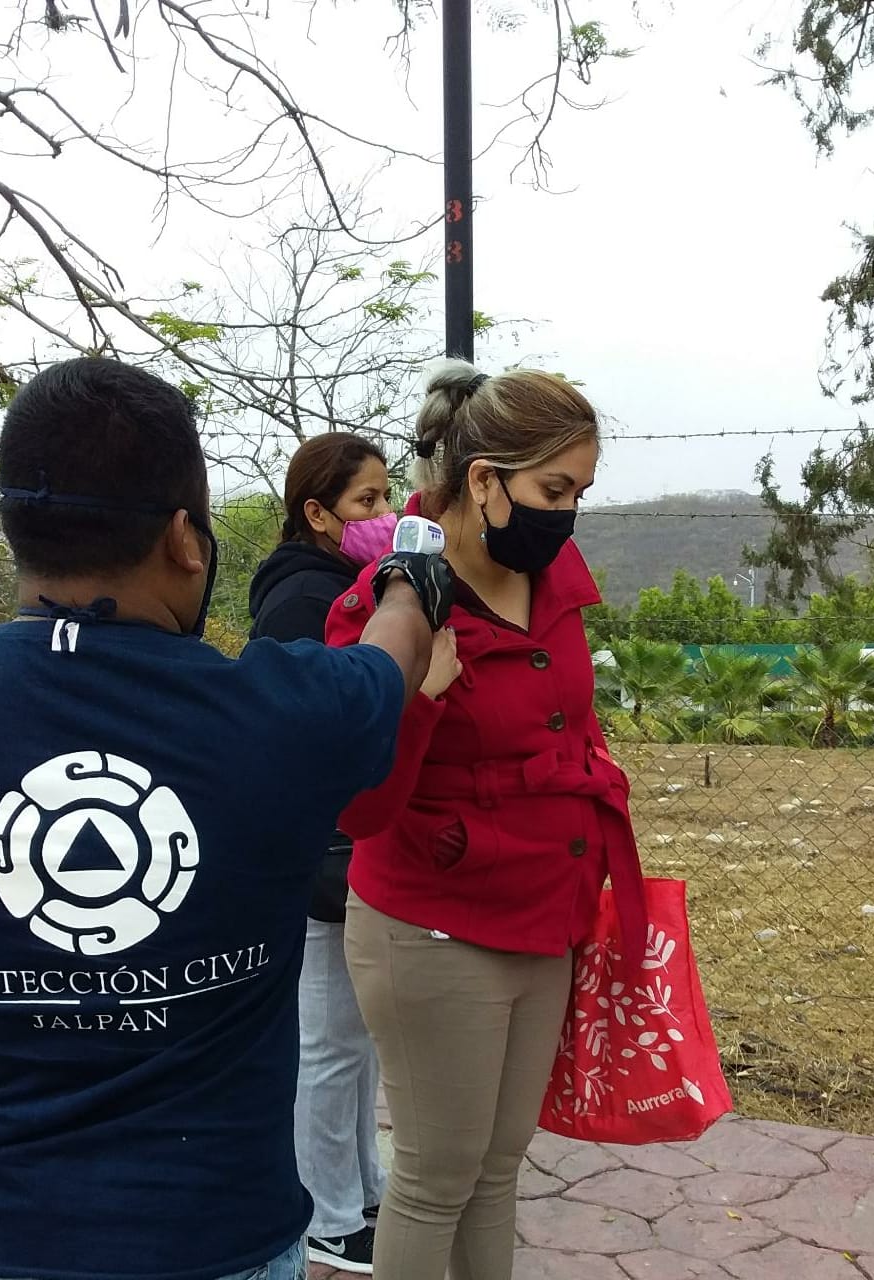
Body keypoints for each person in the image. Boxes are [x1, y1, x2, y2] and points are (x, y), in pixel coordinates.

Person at [0, 357, 451, 1280]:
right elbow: (396, 654)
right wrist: (409, 577)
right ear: (186, 539)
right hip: (213, 1240)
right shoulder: (284, 711)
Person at [326, 360, 647, 1280]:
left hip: (544, 912)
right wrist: (418, 698)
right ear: (482, 480)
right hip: (433, 923)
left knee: (498, 1170)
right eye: (554, 489)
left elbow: (571, 725)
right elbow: (358, 805)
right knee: (435, 1177)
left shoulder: (550, 581)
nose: (568, 514)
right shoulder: (389, 610)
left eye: (580, 492)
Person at [248, 433, 397, 1275]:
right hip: (318, 853)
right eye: (366, 502)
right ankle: (327, 1213)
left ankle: (360, 1186)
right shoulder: (303, 599)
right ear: (316, 513)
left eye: (386, 496)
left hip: (338, 848)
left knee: (356, 1035)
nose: (383, 514)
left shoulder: (343, 584)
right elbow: (301, 730)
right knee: (329, 1042)